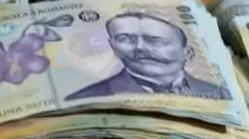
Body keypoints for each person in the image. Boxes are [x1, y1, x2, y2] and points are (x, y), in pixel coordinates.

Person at [66, 12, 229, 100]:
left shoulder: (221, 95)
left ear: (187, 53)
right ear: (113, 46)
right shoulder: (84, 98)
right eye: (125, 39)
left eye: (155, 40)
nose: (140, 47)